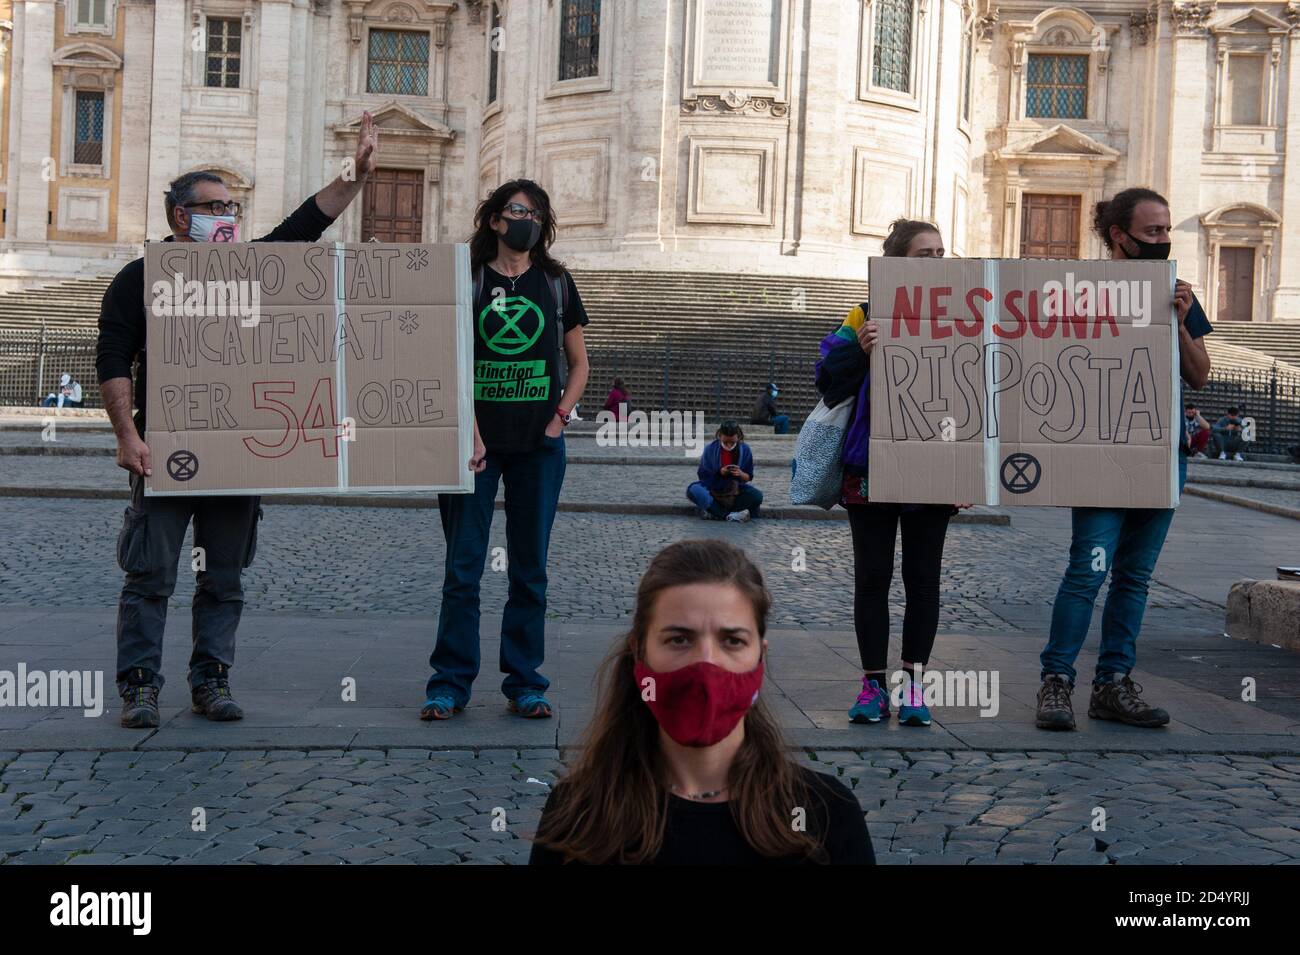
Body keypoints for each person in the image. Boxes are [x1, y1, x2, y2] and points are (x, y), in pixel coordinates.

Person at [95, 114, 380, 729]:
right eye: (213, 205)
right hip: (165, 449)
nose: (226, 214)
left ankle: (210, 681)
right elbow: (113, 357)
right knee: (150, 576)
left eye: (231, 206)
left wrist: (353, 175)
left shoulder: (251, 266)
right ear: (180, 216)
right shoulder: (139, 277)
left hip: (238, 452)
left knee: (223, 579)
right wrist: (126, 435)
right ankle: (139, 686)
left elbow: (306, 225)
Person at [529, 539, 874, 865]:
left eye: (732, 641)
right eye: (679, 639)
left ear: (760, 656)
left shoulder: (827, 815)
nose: (706, 664)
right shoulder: (579, 816)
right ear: (639, 653)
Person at [1037, 187, 1212, 731]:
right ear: (1120, 235)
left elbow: (1199, 373)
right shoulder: (1081, 291)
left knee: (1134, 577)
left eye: (1166, 232)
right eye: (1152, 232)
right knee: (1086, 573)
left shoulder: (1177, 293)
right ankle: (1057, 683)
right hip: (1099, 456)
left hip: (1160, 456)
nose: (1162, 241)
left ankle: (1113, 684)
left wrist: (1180, 322)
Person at [421, 179, 591, 722]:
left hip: (539, 447)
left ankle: (525, 682)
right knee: (462, 568)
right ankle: (449, 683)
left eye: (537, 214)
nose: (528, 222)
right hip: (474, 444)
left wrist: (560, 419)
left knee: (530, 570)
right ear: (495, 220)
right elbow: (448, 362)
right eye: (519, 211)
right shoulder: (466, 280)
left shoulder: (557, 282)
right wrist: (469, 430)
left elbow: (580, 362)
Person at [815, 217, 959, 728]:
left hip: (936, 465)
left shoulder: (962, 315)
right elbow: (826, 378)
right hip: (871, 463)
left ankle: (915, 685)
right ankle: (873, 685)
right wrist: (862, 347)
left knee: (924, 581)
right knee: (872, 578)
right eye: (926, 254)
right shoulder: (863, 314)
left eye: (942, 253)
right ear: (895, 262)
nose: (937, 262)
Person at [687, 421, 762, 522]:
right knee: (694, 489)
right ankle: (728, 515)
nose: (729, 445)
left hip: (735, 489)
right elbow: (702, 475)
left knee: (757, 495)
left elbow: (749, 476)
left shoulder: (745, 449)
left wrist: (740, 474)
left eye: (732, 442)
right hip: (713, 488)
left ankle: (715, 512)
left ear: (738, 437)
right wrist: (720, 472)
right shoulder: (710, 449)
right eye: (726, 442)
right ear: (720, 435)